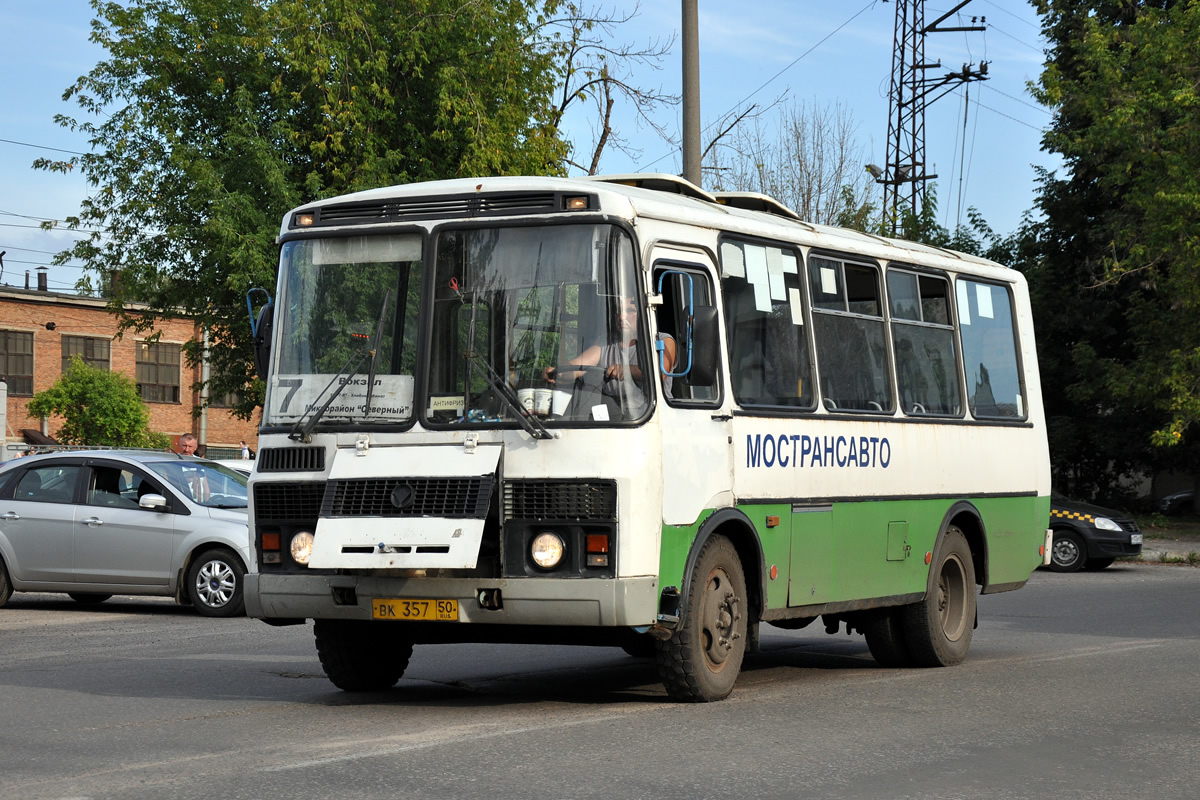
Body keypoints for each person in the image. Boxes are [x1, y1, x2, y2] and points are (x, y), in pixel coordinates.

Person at [544, 296, 676, 416]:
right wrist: (558, 372)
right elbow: (578, 366)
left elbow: (659, 373)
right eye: (619, 311)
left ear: (644, 313)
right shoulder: (605, 343)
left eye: (630, 311)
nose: (622, 317)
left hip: (653, 418)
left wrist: (626, 370)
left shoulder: (663, 341)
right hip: (615, 418)